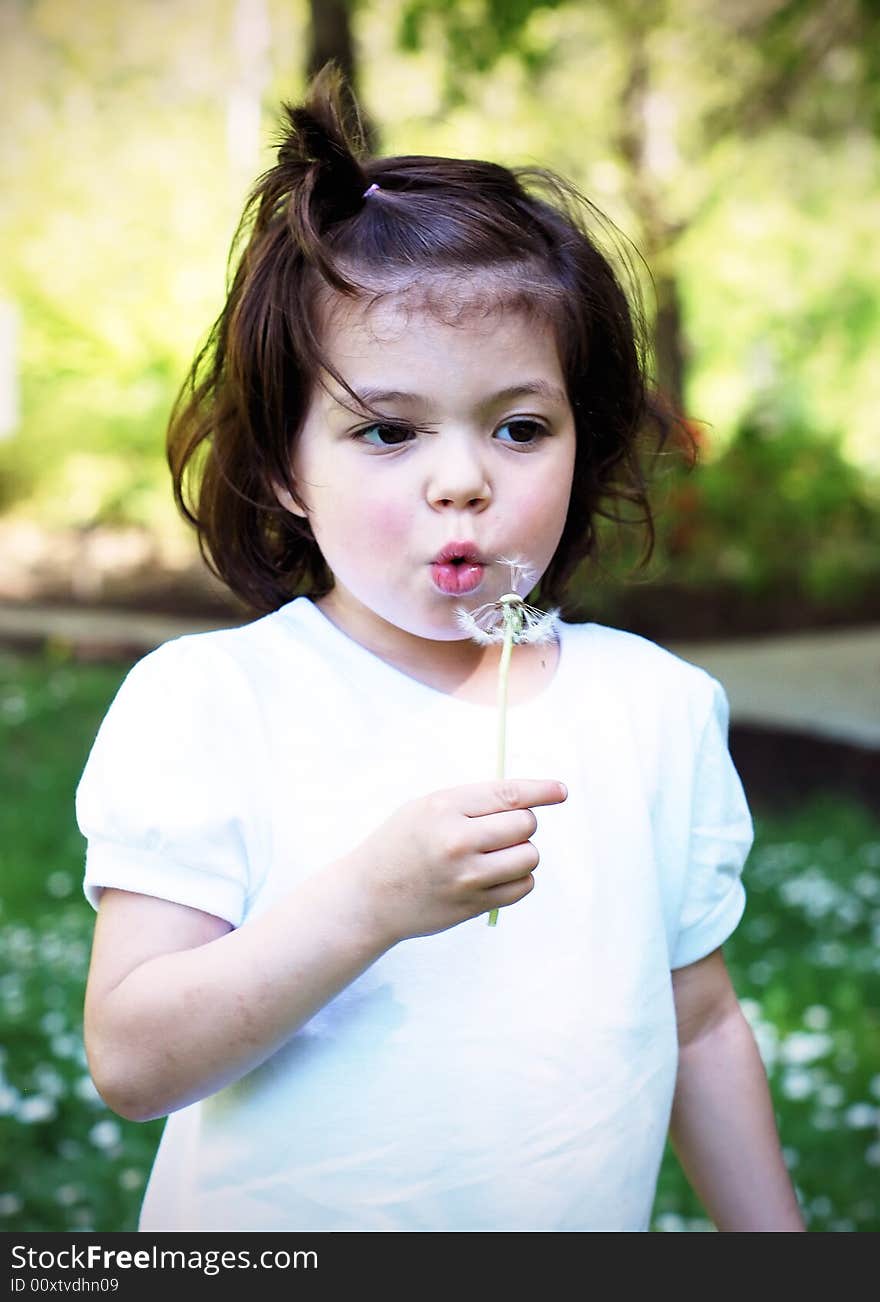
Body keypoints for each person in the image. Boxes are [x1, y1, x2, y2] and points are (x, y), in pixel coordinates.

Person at [77, 62, 805, 1233]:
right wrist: (369, 901)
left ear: (586, 443)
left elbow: (700, 1020)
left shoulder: (656, 708)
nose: (462, 479)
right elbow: (132, 1058)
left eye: (520, 427)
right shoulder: (211, 703)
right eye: (386, 430)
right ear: (280, 467)